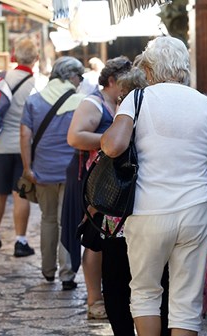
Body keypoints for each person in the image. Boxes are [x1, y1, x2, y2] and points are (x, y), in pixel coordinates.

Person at [100, 36, 207, 336]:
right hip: (195, 209)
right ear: (184, 68)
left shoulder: (136, 100)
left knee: (145, 293)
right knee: (186, 301)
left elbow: (113, 147)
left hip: (148, 210)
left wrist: (107, 133)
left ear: (149, 70)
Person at [64, 56, 132, 321]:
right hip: (93, 182)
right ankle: (94, 299)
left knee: (108, 239)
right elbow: (75, 136)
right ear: (112, 80)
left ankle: (109, 295)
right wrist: (111, 141)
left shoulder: (117, 102)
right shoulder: (93, 103)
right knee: (94, 241)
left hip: (111, 182)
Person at [20, 56, 85, 290]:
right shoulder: (81, 102)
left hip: (42, 172)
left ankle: (48, 270)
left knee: (48, 220)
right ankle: (67, 275)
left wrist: (27, 168)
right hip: (71, 171)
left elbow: (25, 136)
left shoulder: (34, 102)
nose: (81, 81)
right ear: (71, 76)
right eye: (80, 76)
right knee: (67, 222)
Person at [0, 38, 38, 256]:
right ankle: (20, 241)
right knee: (21, 194)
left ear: (14, 56)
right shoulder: (36, 84)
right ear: (36, 59)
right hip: (22, 147)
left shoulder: (2, 78)